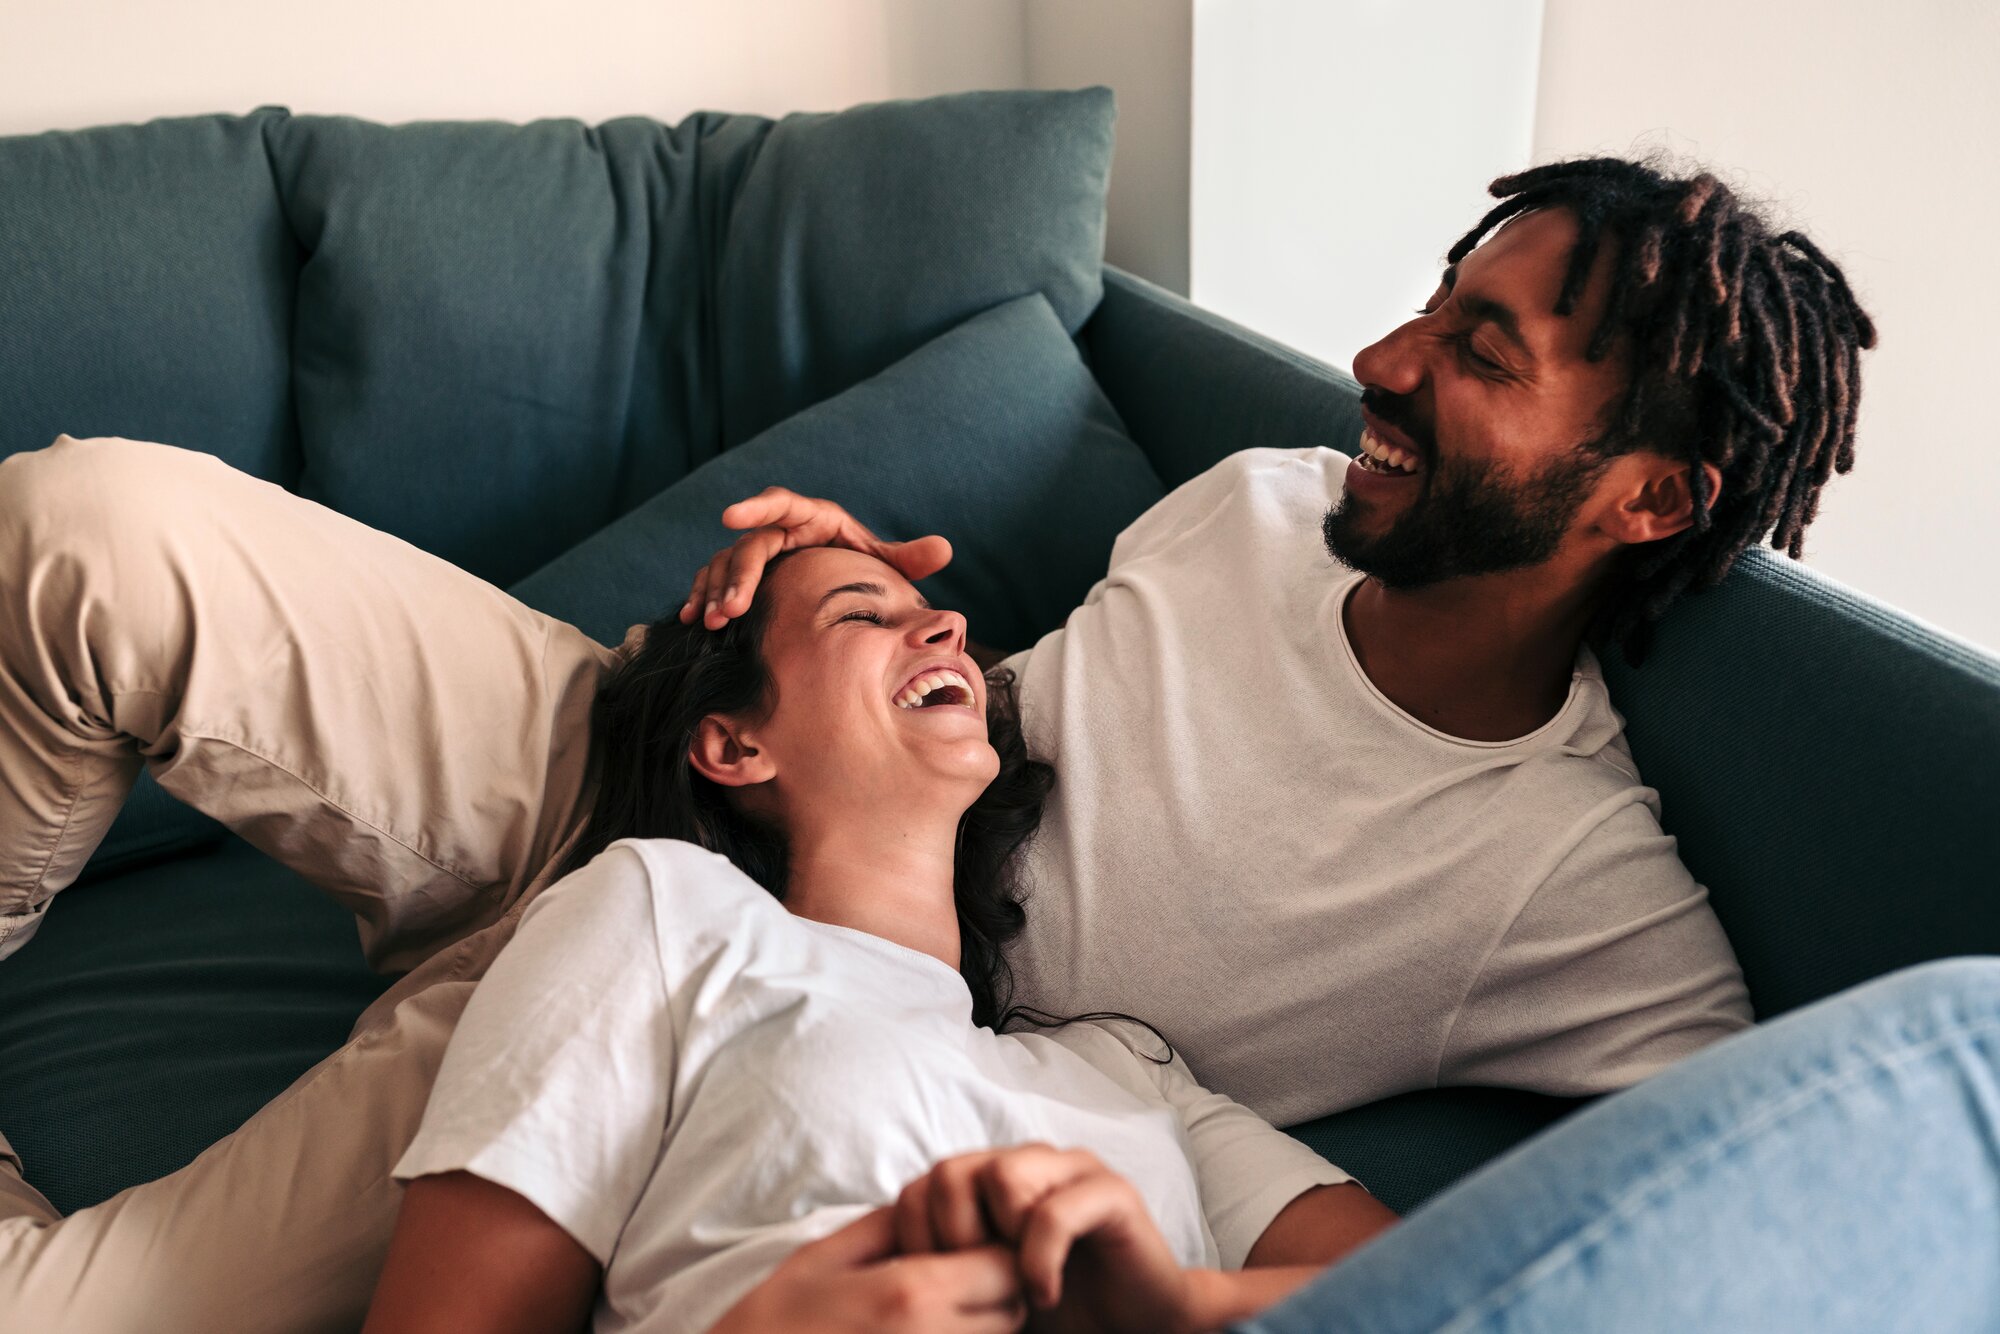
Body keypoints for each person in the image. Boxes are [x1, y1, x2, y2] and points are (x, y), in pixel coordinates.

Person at [0, 155, 1892, 1329]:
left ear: (1649, 498)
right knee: (85, 530)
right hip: (697, 774)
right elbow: (1009, 697)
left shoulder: (1568, 878)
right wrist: (829, 612)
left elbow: (1792, 1187)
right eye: (1431, 306)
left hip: (787, 1023)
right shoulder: (1261, 501)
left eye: (1480, 354)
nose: (1384, 361)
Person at [361, 546, 1393, 1333]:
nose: (948, 624)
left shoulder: (1125, 1069)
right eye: (863, 612)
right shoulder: (660, 911)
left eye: (937, 617)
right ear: (734, 743)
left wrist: (1178, 1304)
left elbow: (1449, 1287)